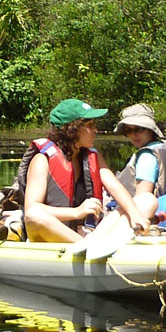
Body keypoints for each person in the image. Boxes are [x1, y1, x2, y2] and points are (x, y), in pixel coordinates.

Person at [19, 98, 149, 244]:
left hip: (87, 235)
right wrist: (76, 212)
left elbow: (116, 188)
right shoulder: (42, 160)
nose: (95, 130)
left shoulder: (93, 157)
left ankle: (95, 246)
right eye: (89, 125)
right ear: (71, 129)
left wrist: (136, 216)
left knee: (147, 201)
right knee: (34, 215)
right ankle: (91, 247)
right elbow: (31, 207)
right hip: (51, 235)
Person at [110, 103, 166, 226]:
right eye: (128, 130)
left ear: (150, 129)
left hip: (151, 219)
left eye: (138, 129)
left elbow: (142, 200)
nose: (133, 135)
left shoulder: (146, 156)